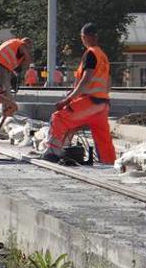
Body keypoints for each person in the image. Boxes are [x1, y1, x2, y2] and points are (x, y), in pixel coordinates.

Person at [42, 23, 116, 164]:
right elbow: (108, 81)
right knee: (102, 137)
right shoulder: (103, 56)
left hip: (90, 101)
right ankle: (110, 162)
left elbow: (86, 79)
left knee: (59, 118)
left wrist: (68, 100)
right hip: (102, 104)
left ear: (84, 37)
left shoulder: (91, 54)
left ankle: (52, 153)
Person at [0, 37, 33, 118]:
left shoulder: (13, 44)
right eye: (29, 47)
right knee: (6, 93)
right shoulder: (21, 44)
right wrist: (22, 73)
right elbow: (28, 59)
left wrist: (14, 75)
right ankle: (7, 117)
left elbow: (13, 64)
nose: (29, 49)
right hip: (0, 66)